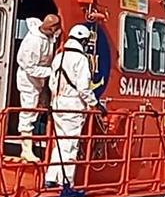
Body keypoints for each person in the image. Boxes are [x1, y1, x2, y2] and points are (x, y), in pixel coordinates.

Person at [45, 34, 102, 187]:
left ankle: (51, 176)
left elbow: (51, 83)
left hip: (58, 102)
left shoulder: (59, 57)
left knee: (60, 142)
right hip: (73, 104)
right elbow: (84, 88)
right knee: (70, 144)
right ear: (83, 41)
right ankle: (67, 182)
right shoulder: (81, 59)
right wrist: (95, 103)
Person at [14, 14, 60, 162]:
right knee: (28, 112)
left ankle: (29, 145)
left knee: (36, 111)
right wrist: (51, 72)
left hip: (40, 80)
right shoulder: (33, 42)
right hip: (28, 81)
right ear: (50, 28)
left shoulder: (47, 36)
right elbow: (29, 67)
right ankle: (26, 149)